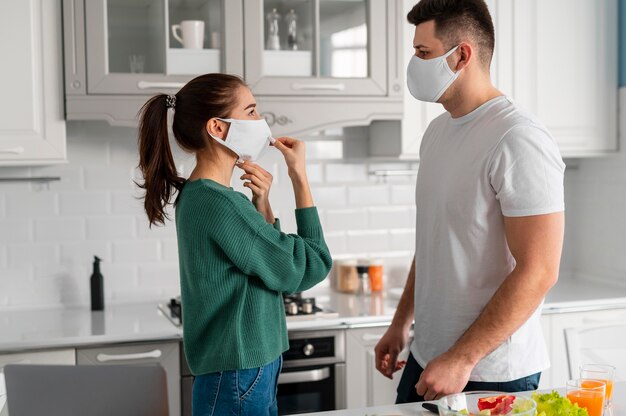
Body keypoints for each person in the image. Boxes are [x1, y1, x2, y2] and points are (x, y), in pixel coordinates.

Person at [375, 0, 565, 403]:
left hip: (490, 373)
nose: (414, 63)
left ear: (461, 55)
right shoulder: (437, 133)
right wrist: (400, 323)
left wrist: (462, 358)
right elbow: (434, 241)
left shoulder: (518, 137)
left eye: (423, 53)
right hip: (427, 357)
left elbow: (540, 269)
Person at [136, 73, 332, 415]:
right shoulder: (220, 203)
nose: (262, 122)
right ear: (218, 128)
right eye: (252, 111)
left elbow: (263, 264)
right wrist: (299, 176)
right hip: (239, 373)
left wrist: (263, 206)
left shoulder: (205, 196)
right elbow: (308, 266)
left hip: (245, 369)